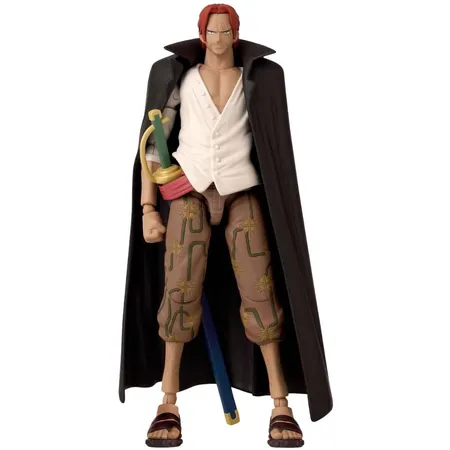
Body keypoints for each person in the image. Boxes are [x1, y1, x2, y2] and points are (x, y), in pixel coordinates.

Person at [119, 3, 332, 448]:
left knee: (260, 290)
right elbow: (153, 146)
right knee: (179, 290)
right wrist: (148, 208)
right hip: (190, 191)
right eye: (212, 32)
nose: (218, 39)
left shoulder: (261, 79)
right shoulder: (178, 78)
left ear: (236, 34)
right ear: (202, 35)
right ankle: (168, 401)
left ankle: (280, 404)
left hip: (241, 191)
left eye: (225, 31)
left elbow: (273, 144)